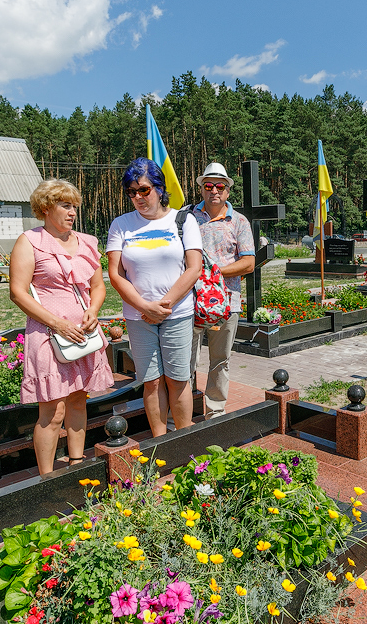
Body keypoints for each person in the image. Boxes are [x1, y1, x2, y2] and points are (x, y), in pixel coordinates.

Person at [9, 179, 114, 475]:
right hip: (48, 334)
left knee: (79, 399)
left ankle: (76, 464)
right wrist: (58, 324)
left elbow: (98, 287)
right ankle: (47, 479)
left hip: (83, 333)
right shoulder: (29, 241)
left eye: (75, 207)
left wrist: (93, 311)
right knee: (52, 411)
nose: (72, 213)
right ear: (45, 208)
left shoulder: (88, 242)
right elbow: (17, 292)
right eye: (65, 206)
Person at [106, 159, 203, 437]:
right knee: (151, 382)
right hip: (139, 317)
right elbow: (115, 274)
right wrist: (145, 306)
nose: (138, 197)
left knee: (178, 380)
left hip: (177, 313)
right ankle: (160, 442)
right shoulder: (121, 225)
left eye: (144, 190)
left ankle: (183, 439)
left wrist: (164, 306)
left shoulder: (184, 220)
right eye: (131, 192)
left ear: (160, 189)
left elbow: (194, 267)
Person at [190, 163, 255, 418]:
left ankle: (214, 413)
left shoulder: (238, 221)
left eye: (220, 186)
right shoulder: (187, 217)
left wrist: (212, 271)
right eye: (208, 186)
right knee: (186, 362)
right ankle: (182, 415)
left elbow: (248, 263)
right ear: (201, 189)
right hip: (190, 301)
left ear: (228, 191)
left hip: (227, 302)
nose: (214, 191)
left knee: (220, 360)